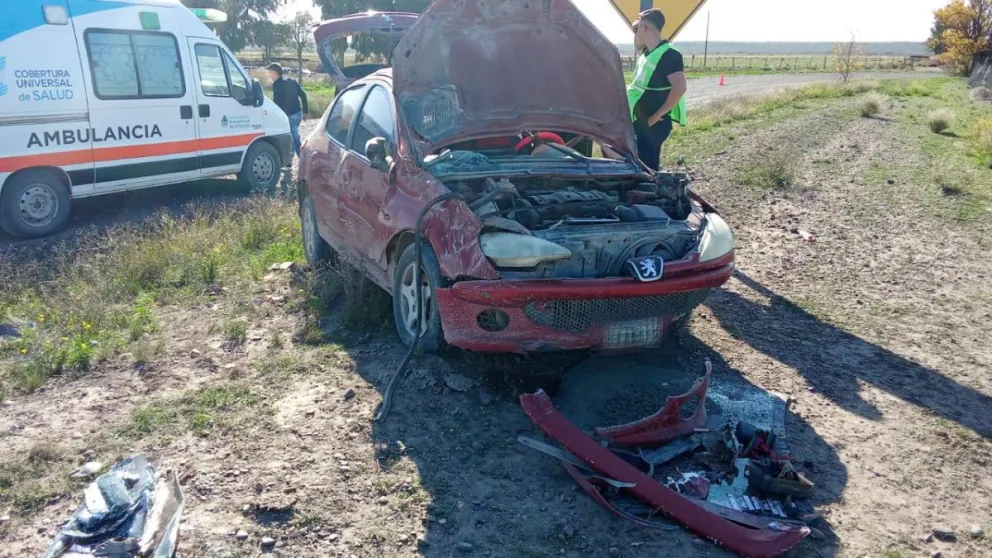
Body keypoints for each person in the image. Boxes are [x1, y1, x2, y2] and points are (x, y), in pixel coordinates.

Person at [628, 9, 688, 171]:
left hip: (654, 123)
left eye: (639, 27)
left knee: (647, 168)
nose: (636, 31)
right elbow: (638, 46)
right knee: (636, 164)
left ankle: (651, 187)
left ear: (645, 28)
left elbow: (680, 87)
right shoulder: (648, 52)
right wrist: (636, 28)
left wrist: (656, 116)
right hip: (641, 120)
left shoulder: (670, 54)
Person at [266, 63, 309, 157]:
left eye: (269, 73)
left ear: (274, 73)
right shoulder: (292, 81)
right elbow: (303, 95)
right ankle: (291, 159)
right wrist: (305, 111)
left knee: (293, 138)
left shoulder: (276, 85)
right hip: (297, 114)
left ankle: (302, 157)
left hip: (288, 116)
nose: (268, 75)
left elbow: (277, 103)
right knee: (292, 136)